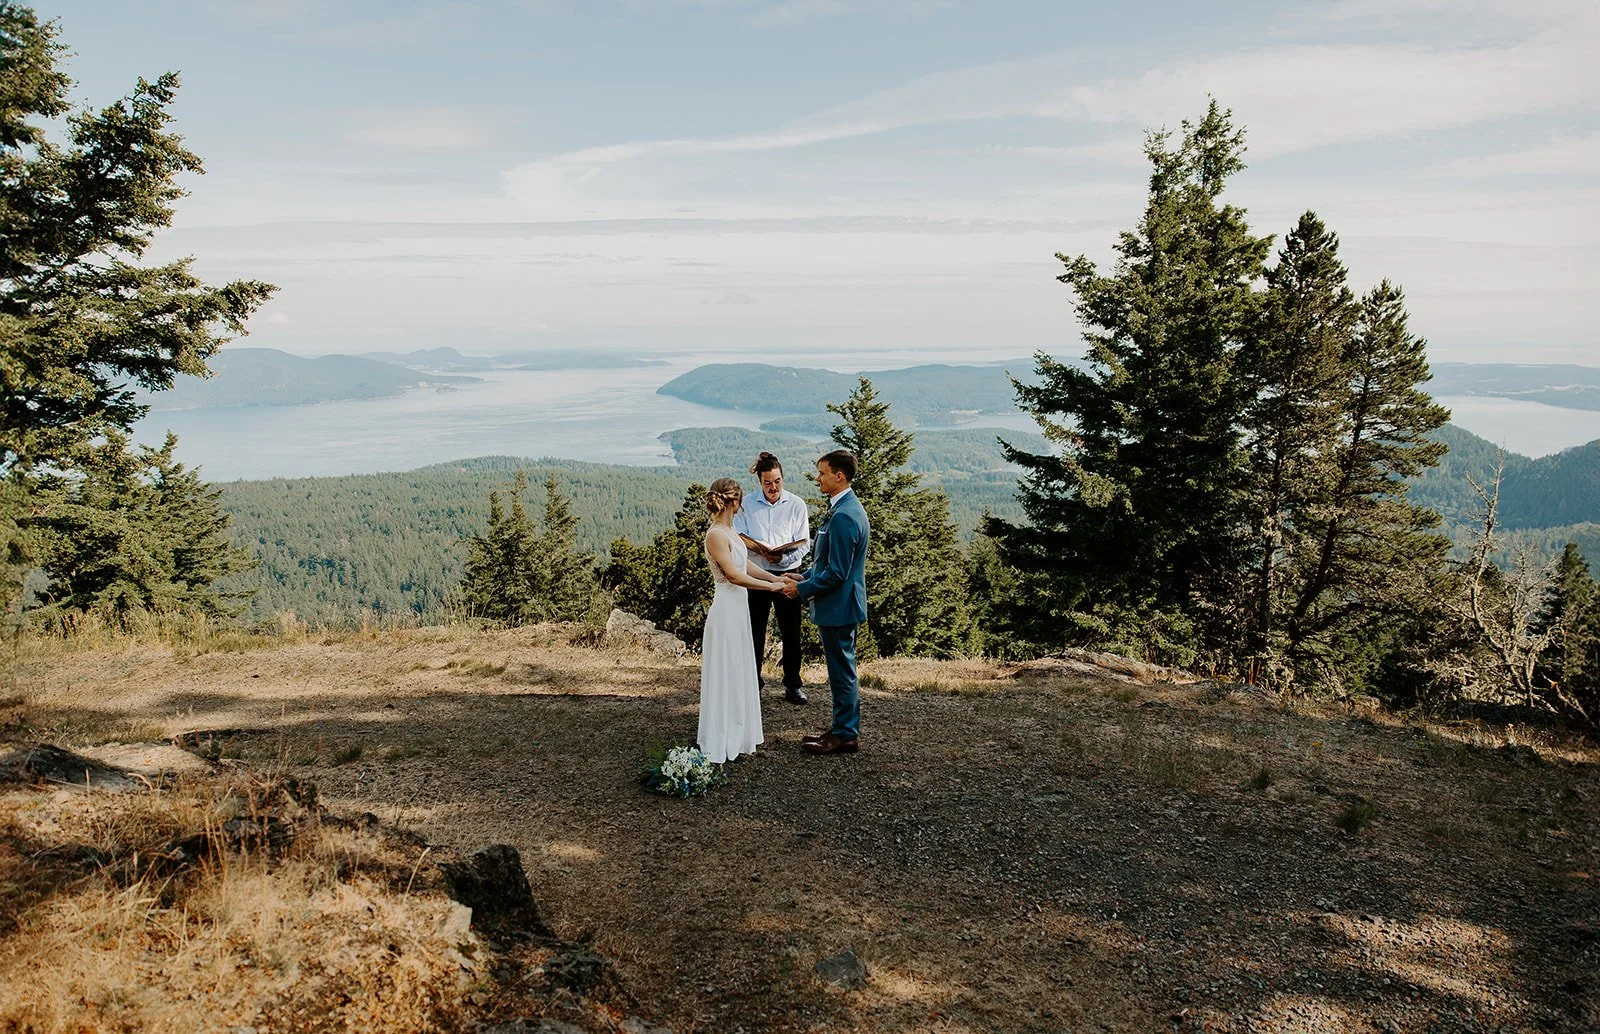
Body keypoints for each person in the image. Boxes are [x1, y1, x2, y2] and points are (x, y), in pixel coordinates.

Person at [781, 450, 870, 756]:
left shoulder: (845, 515)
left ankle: (846, 734)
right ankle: (840, 726)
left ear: (839, 476)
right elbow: (825, 561)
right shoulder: (841, 508)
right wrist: (801, 576)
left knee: (842, 671)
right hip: (837, 605)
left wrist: (802, 590)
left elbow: (838, 572)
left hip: (839, 606)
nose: (818, 478)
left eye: (822, 473)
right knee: (838, 670)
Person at [699, 477, 790, 764]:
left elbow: (745, 564)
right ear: (735, 501)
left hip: (738, 611)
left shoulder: (730, 531)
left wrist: (775, 577)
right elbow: (734, 576)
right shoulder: (715, 535)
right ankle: (722, 734)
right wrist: (773, 588)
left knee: (739, 668)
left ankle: (738, 732)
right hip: (726, 609)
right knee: (727, 669)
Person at [733, 451, 811, 705]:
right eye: (768, 483)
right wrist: (758, 549)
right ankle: (753, 683)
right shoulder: (747, 505)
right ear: (760, 482)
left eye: (777, 481)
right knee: (754, 630)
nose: (773, 487)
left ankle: (793, 685)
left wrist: (782, 560)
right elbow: (737, 538)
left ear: (783, 478)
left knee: (791, 632)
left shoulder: (797, 505)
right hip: (756, 576)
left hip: (787, 575)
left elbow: (804, 544)